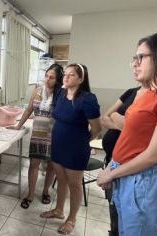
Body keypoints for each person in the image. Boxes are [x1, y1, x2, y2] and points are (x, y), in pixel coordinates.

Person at [97, 32, 157, 236]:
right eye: (135, 58)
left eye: (141, 57)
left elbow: (153, 155)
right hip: (123, 174)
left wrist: (111, 173)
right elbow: (127, 135)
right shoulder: (145, 94)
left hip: (141, 180)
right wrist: (112, 166)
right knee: (121, 230)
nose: (135, 63)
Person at [41, 63, 102, 235]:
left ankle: (72, 219)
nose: (66, 77)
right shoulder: (60, 93)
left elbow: (97, 129)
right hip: (58, 145)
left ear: (81, 79)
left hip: (76, 149)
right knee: (61, 180)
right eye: (65, 74)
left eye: (71, 75)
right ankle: (59, 210)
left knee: (74, 184)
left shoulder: (88, 99)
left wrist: (83, 141)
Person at [11, 64, 64, 209]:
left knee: (51, 166)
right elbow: (29, 110)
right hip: (37, 135)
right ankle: (30, 194)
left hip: (54, 136)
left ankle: (45, 192)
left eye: (52, 77)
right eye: (46, 76)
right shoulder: (37, 91)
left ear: (58, 80)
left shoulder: (61, 94)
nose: (47, 79)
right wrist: (18, 125)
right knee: (34, 164)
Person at [101, 85, 143, 236]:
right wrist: (123, 124)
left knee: (131, 220)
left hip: (134, 168)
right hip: (113, 162)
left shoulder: (152, 97)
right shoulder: (131, 92)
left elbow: (143, 133)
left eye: (141, 60)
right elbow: (104, 119)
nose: (136, 64)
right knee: (114, 209)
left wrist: (117, 117)